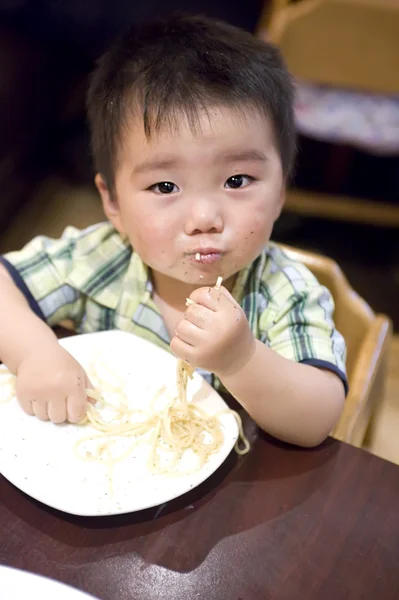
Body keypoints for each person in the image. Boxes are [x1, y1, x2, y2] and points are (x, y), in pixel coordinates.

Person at [0, 14, 347, 447]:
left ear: (281, 191)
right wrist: (34, 352)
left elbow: (317, 418)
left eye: (237, 181)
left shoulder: (282, 290)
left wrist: (241, 360)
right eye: (165, 186)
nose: (204, 217)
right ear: (113, 203)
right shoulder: (103, 258)